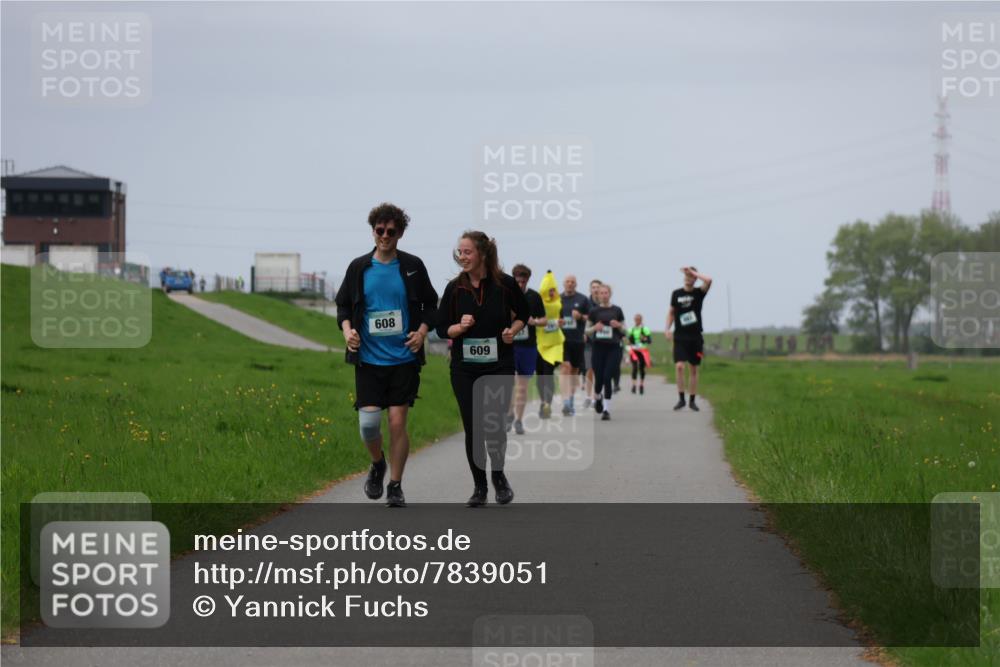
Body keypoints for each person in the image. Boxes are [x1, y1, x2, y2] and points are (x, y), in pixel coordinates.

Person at [335, 203, 439, 507]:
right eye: (379, 231)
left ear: (400, 233)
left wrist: (421, 333)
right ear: (373, 231)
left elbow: (432, 306)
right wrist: (347, 331)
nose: (385, 236)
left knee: (396, 423)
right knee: (368, 425)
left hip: (403, 359)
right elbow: (343, 305)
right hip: (368, 359)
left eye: (391, 231)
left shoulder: (413, 266)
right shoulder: (358, 267)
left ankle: (395, 484)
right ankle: (377, 463)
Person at [437, 231, 529, 506]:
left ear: (483, 254)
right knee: (474, 428)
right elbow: (442, 328)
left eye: (467, 252)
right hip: (464, 368)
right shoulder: (455, 288)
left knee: (494, 424)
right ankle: (479, 487)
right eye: (460, 252)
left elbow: (523, 315)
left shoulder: (506, 285)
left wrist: (512, 330)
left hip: (499, 364)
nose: (462, 257)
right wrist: (460, 327)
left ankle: (498, 477)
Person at [666, 266, 712, 412]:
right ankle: (681, 399)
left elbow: (709, 280)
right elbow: (671, 313)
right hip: (680, 336)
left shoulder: (699, 293)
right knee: (679, 366)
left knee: (693, 369)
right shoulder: (676, 294)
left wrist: (694, 272)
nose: (688, 278)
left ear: (695, 278)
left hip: (695, 337)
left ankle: (692, 400)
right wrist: (667, 329)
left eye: (691, 276)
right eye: (687, 275)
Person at [509, 264, 547, 435]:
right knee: (510, 385)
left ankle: (518, 420)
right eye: (518, 282)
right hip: (509, 346)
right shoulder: (506, 296)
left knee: (522, 387)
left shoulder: (534, 297)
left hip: (528, 347)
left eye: (523, 282)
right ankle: (509, 414)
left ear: (528, 280)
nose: (521, 285)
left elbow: (544, 320)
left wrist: (535, 322)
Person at [585, 284, 627, 421]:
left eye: (606, 292)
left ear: (610, 294)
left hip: (614, 348)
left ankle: (606, 409)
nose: (603, 295)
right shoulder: (594, 311)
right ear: (598, 295)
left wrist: (619, 326)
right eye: (601, 293)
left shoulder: (617, 310)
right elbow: (586, 331)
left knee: (607, 377)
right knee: (599, 379)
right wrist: (595, 328)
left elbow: (626, 330)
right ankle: (597, 397)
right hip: (598, 347)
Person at [559, 274, 590, 416]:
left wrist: (581, 317)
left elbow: (591, 318)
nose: (570, 284)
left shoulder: (582, 299)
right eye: (567, 281)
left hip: (577, 340)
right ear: (563, 284)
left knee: (574, 372)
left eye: (572, 282)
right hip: (562, 340)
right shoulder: (557, 299)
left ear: (576, 284)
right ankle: (565, 402)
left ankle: (570, 400)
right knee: (566, 368)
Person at [535, 270, 565, 419]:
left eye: (554, 289)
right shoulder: (537, 302)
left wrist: (561, 322)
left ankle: (547, 403)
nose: (552, 292)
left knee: (548, 374)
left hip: (555, 344)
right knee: (540, 376)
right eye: (549, 290)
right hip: (540, 344)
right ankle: (543, 401)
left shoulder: (559, 303)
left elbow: (564, 319)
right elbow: (532, 320)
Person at [583, 279, 602, 409]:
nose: (595, 289)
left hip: (602, 341)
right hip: (588, 340)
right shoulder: (585, 303)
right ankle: (588, 396)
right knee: (589, 368)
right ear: (590, 289)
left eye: (597, 287)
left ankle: (597, 395)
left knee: (599, 370)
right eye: (593, 287)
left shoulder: (605, 304)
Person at [627, 314, 653, 395]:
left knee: (641, 368)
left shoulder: (645, 329)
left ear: (641, 320)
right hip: (634, 350)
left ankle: (641, 385)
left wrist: (644, 339)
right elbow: (629, 340)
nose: (637, 321)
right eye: (636, 319)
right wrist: (629, 342)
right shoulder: (631, 329)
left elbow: (649, 340)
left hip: (642, 351)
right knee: (634, 367)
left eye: (639, 319)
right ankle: (634, 385)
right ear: (634, 320)